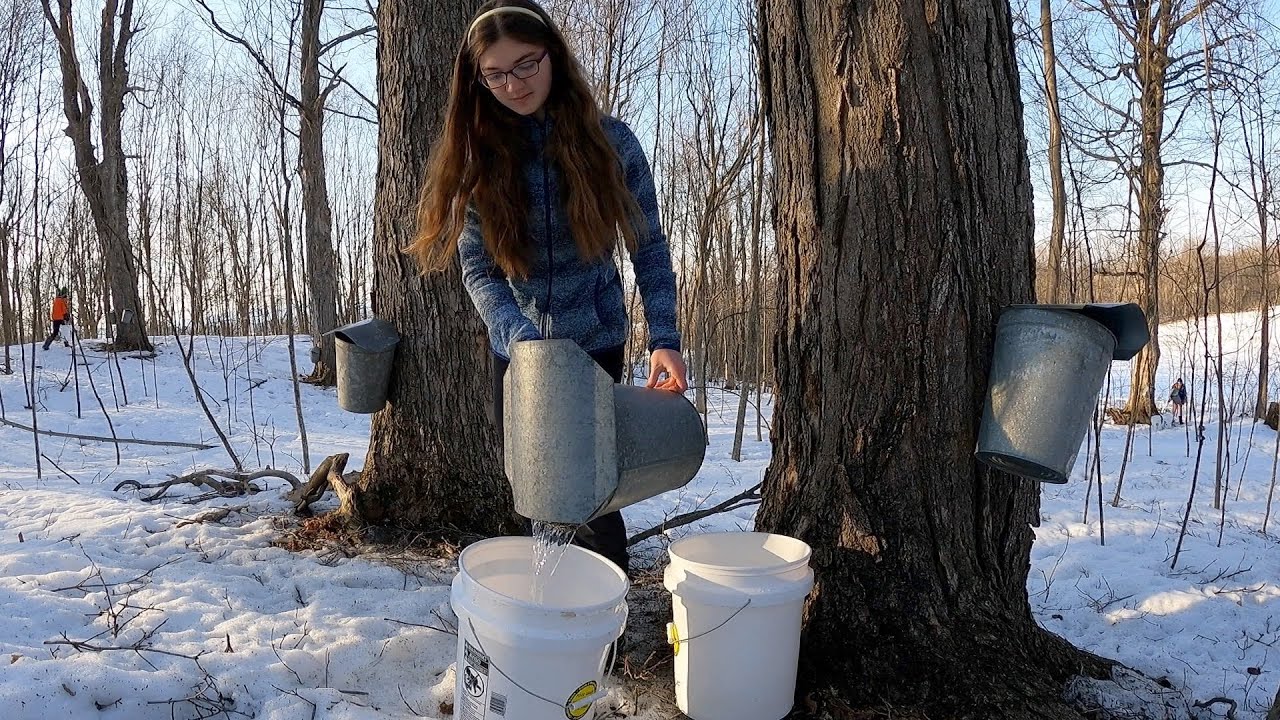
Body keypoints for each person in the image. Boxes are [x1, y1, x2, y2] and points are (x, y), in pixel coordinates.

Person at [405, 0, 688, 574]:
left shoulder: (611, 143)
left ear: (553, 56)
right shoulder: (477, 160)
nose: (514, 84)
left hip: (595, 348)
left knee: (589, 496)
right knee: (534, 490)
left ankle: (600, 627)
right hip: (519, 356)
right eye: (497, 73)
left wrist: (665, 336)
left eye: (527, 64)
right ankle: (540, 614)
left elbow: (649, 247)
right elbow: (479, 270)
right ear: (478, 79)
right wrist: (520, 339)